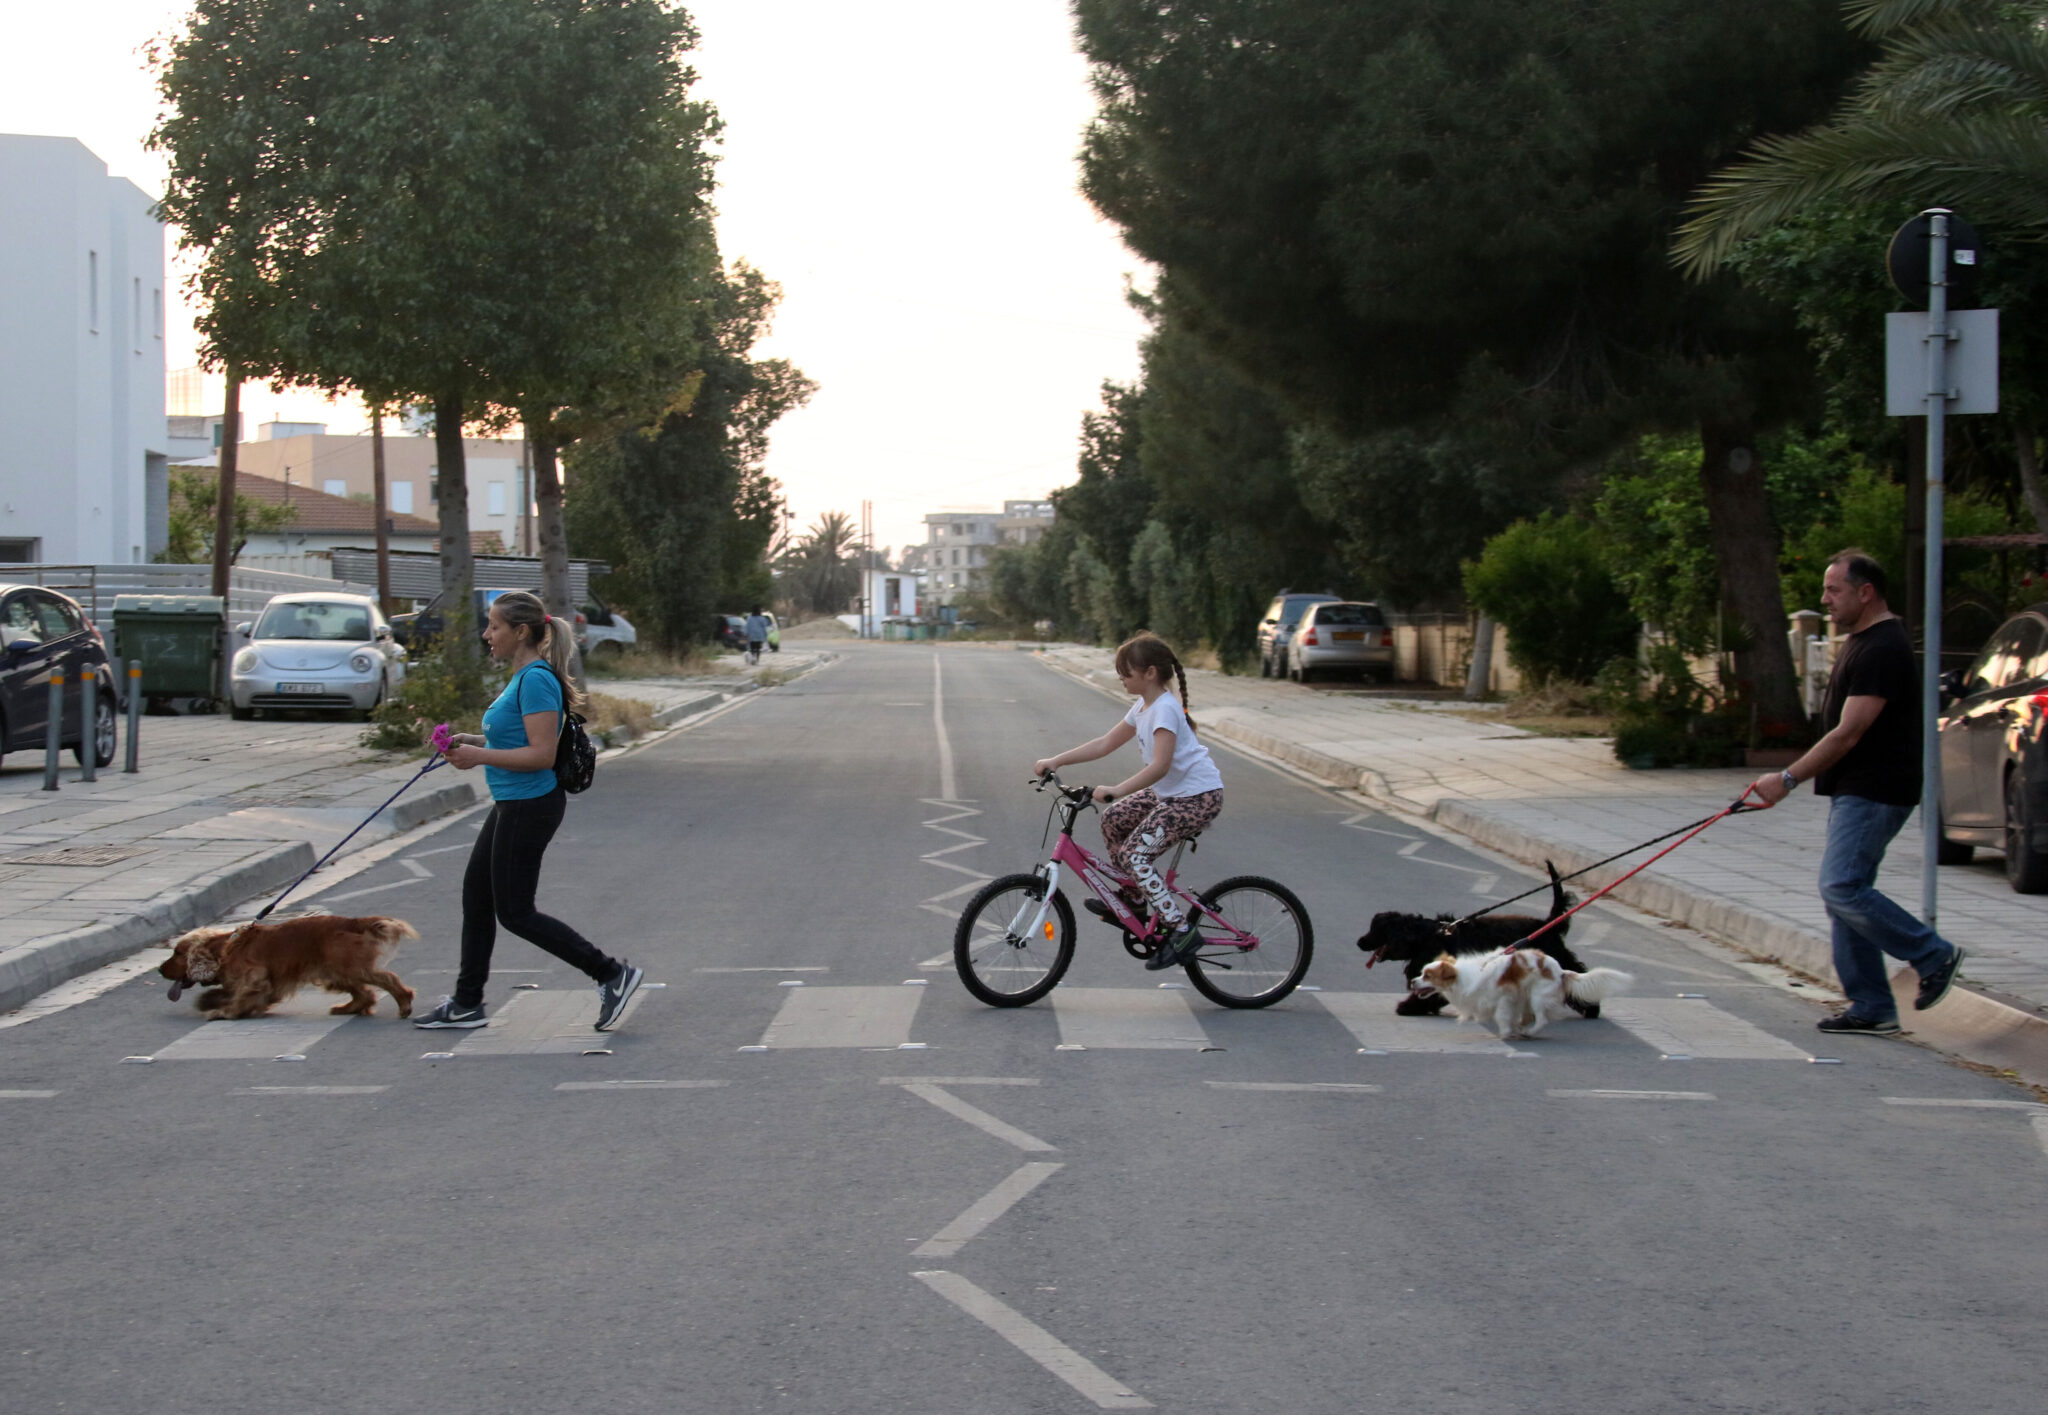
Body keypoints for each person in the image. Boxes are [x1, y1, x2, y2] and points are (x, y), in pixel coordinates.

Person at [1747, 550, 1965, 1034]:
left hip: (1876, 789)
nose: (1825, 601)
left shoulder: (1883, 648)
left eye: (1834, 591)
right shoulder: (1864, 642)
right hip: (1859, 788)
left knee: (1841, 885)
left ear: (1866, 593)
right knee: (1845, 891)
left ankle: (1933, 955)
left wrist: (1785, 780)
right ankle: (1872, 1005)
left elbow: (1850, 732)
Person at [416, 590, 643, 1032]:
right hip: (512, 802)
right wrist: (472, 742)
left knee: (515, 912)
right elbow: (515, 742)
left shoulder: (536, 679)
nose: (486, 634)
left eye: (494, 627)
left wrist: (479, 759)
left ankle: (611, 974)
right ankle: (467, 1003)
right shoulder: (522, 676)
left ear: (520, 632)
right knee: (477, 898)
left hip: (530, 804)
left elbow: (540, 755)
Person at [1031, 633, 1224, 971]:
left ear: (1150, 673)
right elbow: (1105, 743)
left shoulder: (1165, 709)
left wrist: (1117, 789)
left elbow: (1160, 765)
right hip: (1171, 792)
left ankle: (1181, 930)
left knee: (1137, 854)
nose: (1121, 677)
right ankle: (1135, 899)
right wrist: (1056, 760)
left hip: (1197, 797)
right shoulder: (1143, 706)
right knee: (1113, 819)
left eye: (1126, 671)